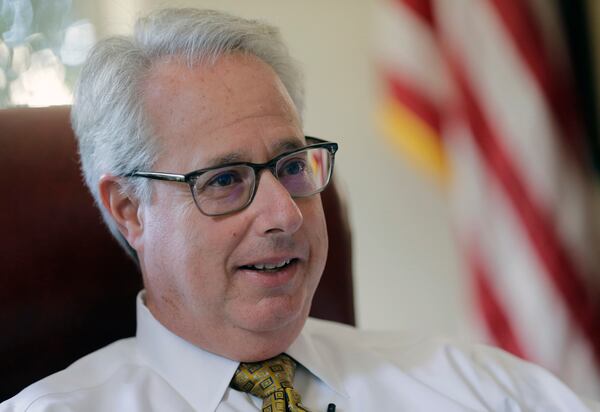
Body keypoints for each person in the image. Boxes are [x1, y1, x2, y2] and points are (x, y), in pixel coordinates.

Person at [2, 8, 598, 412]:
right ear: (131, 208)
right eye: (227, 179)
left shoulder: (474, 386)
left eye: (291, 167)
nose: (284, 215)